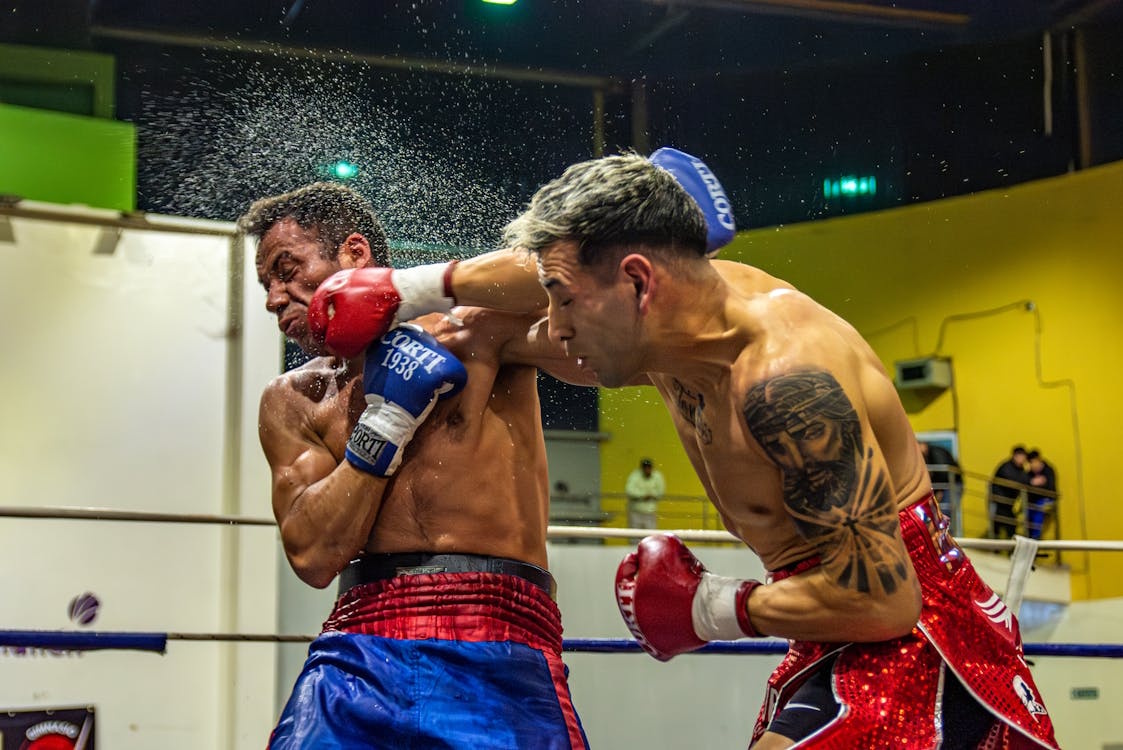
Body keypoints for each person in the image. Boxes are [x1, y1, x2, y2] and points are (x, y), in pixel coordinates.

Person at [324, 150, 1059, 747]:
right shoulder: (662, 324)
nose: (550, 323)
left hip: (915, 643)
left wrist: (713, 608)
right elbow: (532, 277)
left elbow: (882, 599)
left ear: (638, 282)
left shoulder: (783, 383)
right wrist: (405, 289)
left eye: (562, 298)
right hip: (832, 630)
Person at [238, 182, 589, 749]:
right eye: (267, 285)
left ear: (354, 255)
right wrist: (385, 424)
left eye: (287, 269)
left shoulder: (472, 330)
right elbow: (311, 554)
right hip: (357, 646)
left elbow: (568, 272)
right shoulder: (294, 399)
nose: (275, 298)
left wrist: (409, 290)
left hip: (495, 634)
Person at [918, 440, 964, 532]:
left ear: (923, 445)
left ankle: (946, 534)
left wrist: (939, 490)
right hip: (946, 485)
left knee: (945, 512)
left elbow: (944, 473)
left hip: (952, 484)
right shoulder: (927, 456)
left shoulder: (936, 454)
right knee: (939, 512)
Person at [989, 445, 1030, 540]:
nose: (1022, 459)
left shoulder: (1019, 469)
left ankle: (1004, 549)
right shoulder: (1006, 467)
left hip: (1008, 503)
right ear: (1015, 456)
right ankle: (997, 549)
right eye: (1021, 456)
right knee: (1001, 526)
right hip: (1000, 501)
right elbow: (1014, 481)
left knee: (1008, 526)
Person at [625, 457, 665, 531]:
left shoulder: (657, 476)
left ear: (652, 468)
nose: (647, 470)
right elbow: (629, 491)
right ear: (641, 469)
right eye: (645, 468)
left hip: (650, 512)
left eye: (649, 468)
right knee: (634, 536)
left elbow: (660, 491)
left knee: (651, 535)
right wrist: (643, 496)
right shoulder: (635, 476)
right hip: (635, 511)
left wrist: (652, 495)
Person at [1025, 449, 1058, 540]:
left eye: (1035, 462)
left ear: (1039, 460)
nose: (1033, 465)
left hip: (1047, 498)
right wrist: (1033, 483)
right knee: (1028, 510)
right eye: (1031, 463)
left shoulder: (1049, 470)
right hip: (1034, 500)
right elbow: (1026, 485)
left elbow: (1050, 488)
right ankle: (1028, 536)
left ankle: (1035, 537)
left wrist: (1038, 485)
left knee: (1038, 508)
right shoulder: (1029, 474)